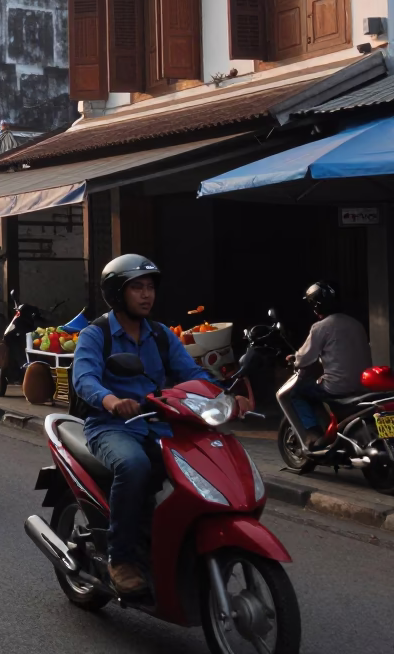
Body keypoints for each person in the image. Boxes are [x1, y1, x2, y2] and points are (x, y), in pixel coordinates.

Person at [72, 254, 251, 596]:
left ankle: (173, 545)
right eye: (136, 287)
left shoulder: (161, 335)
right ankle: (120, 558)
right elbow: (85, 379)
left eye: (150, 287)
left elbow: (192, 374)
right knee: (134, 465)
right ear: (116, 293)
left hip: (159, 424)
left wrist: (227, 397)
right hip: (111, 426)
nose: (146, 295)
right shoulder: (96, 335)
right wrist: (111, 400)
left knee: (201, 469)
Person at [282, 280, 371, 449]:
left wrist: (294, 359)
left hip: (337, 388)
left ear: (316, 305)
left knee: (298, 393)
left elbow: (304, 358)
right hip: (363, 386)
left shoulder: (321, 327)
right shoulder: (356, 324)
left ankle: (313, 432)